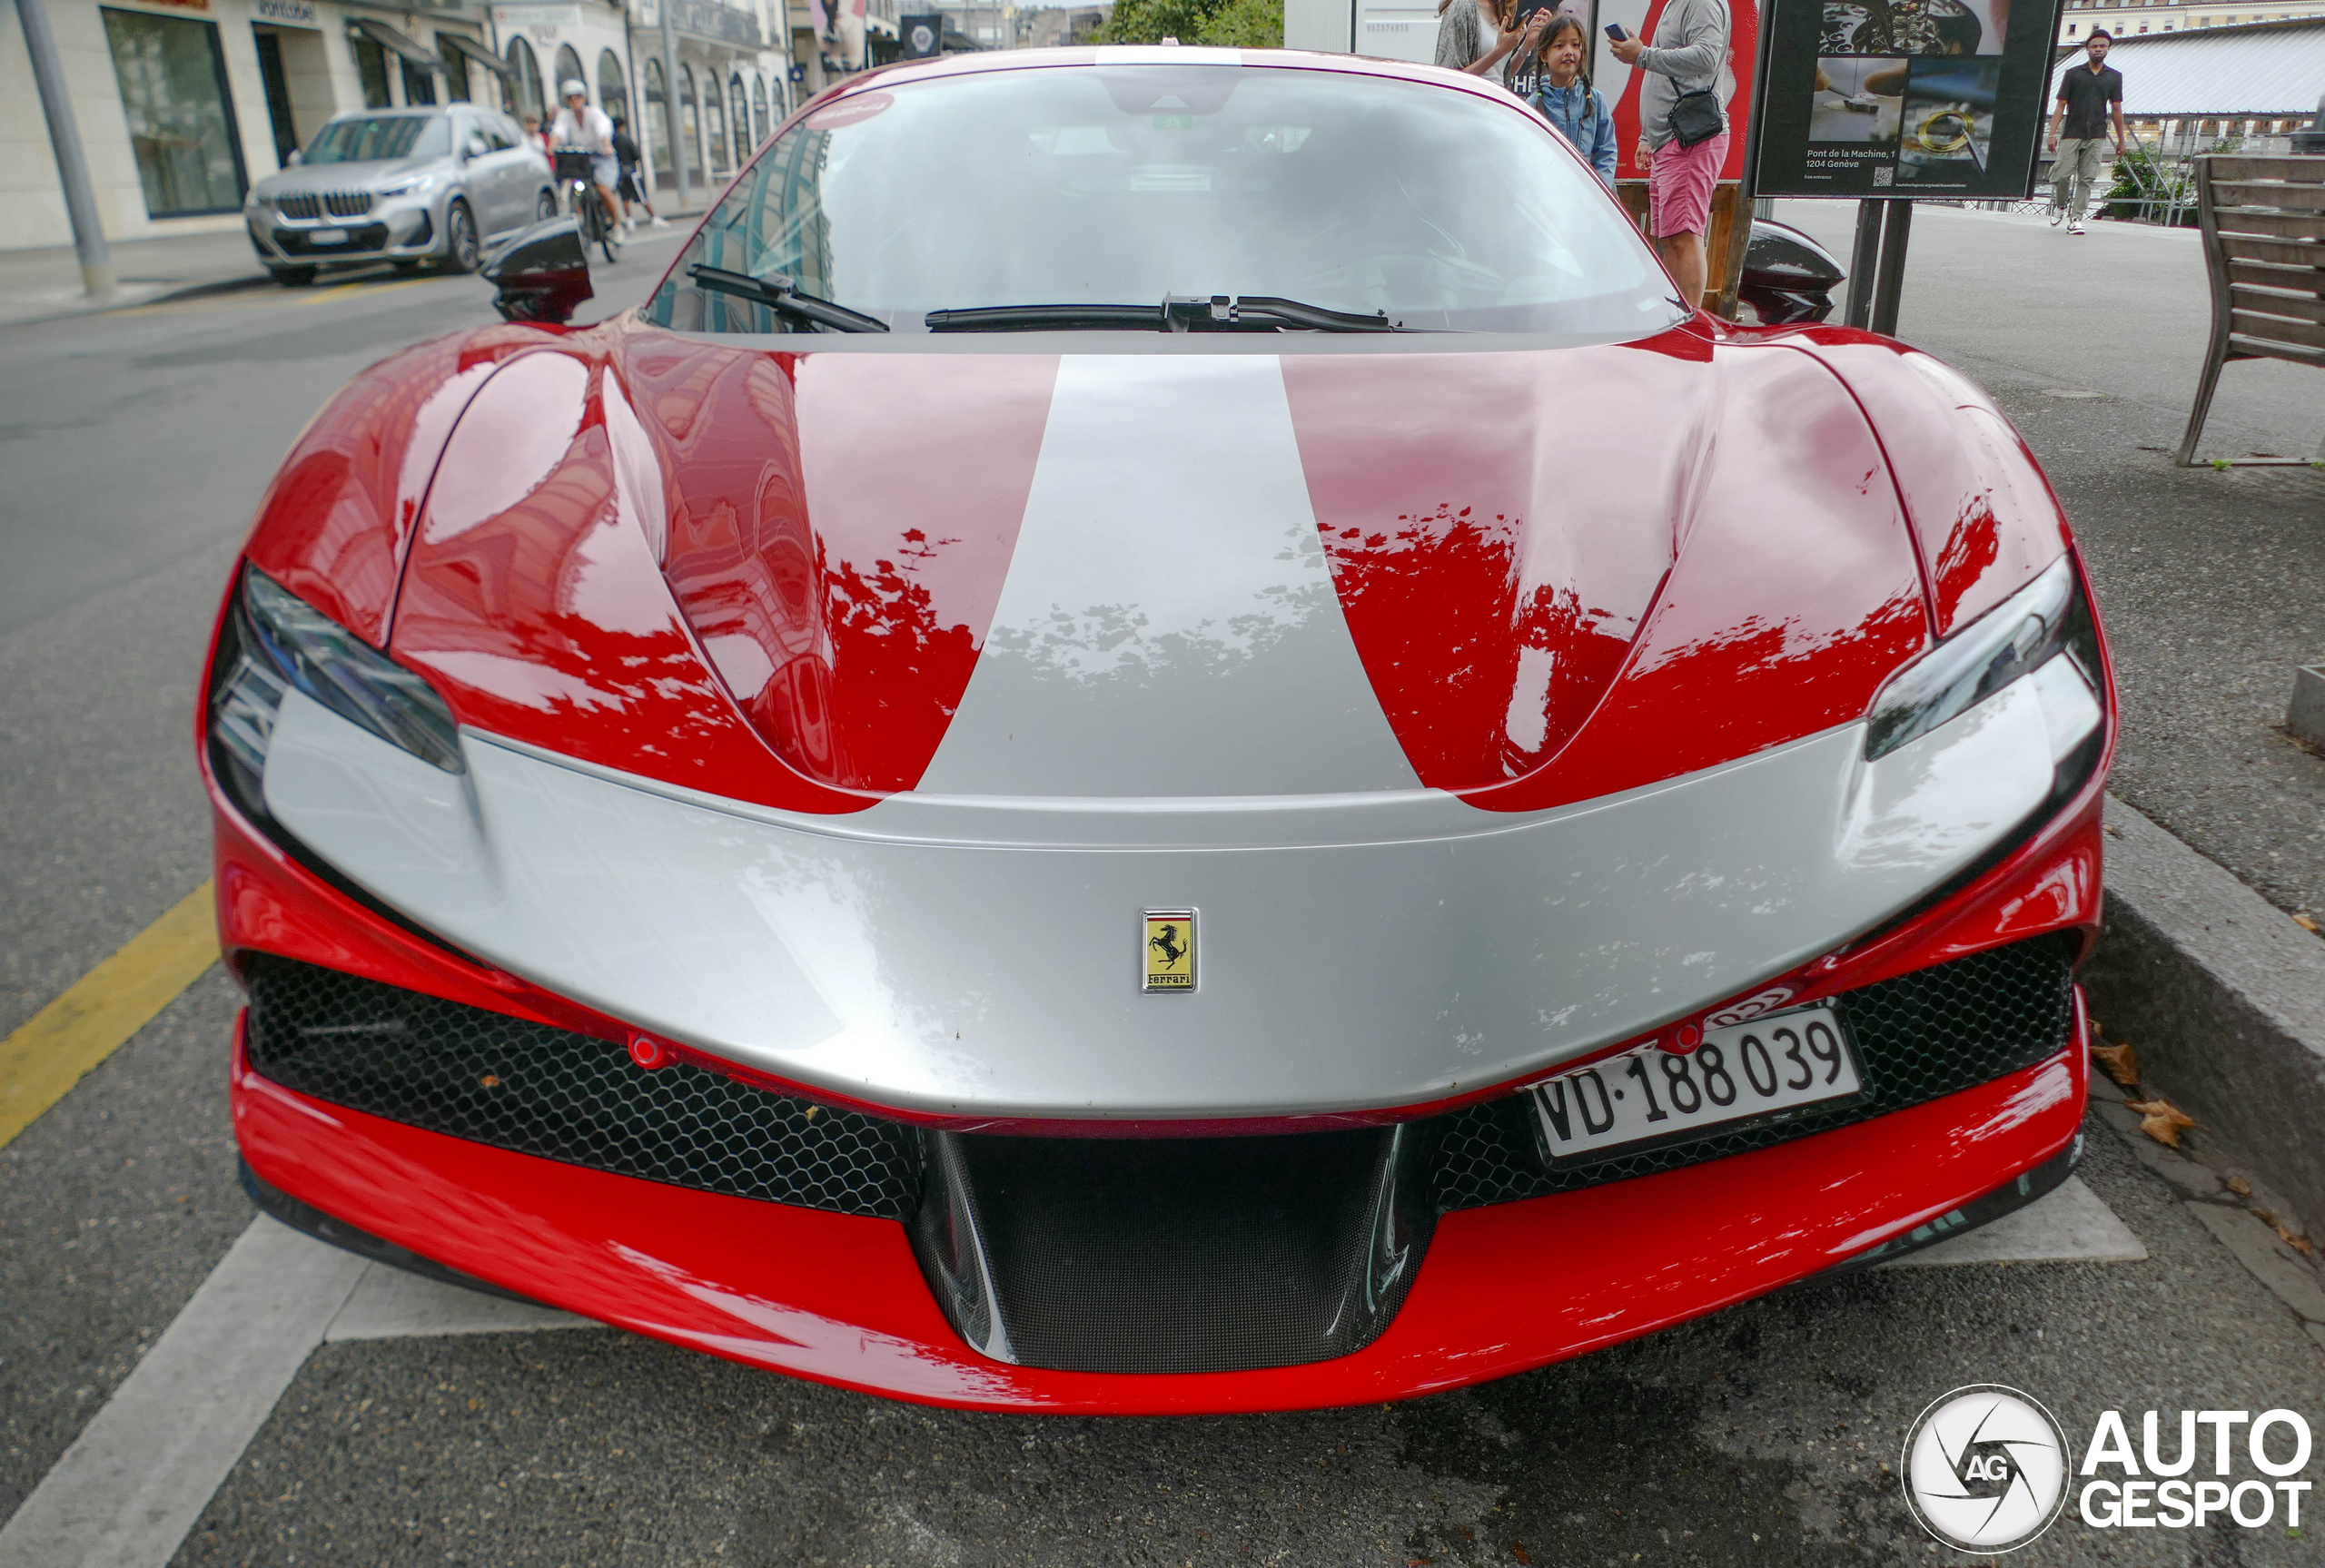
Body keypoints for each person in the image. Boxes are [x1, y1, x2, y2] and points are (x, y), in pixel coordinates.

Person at [1611, 0, 1732, 311]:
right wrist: (1646, 136)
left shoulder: (1700, 2)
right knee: (1671, 237)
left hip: (1690, 139)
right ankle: (1676, 318)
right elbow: (1668, 76)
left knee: (1684, 236)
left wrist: (1643, 56)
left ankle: (1687, 325)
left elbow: (1707, 56)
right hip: (1671, 138)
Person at [2047, 30, 2125, 236]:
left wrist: (2121, 139)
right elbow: (2060, 105)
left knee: (2087, 178)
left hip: (2097, 133)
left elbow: (2116, 109)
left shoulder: (2114, 77)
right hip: (2072, 131)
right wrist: (2052, 133)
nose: (2098, 49)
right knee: (2062, 173)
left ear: (2108, 48)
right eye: (2094, 46)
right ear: (2087, 49)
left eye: (2102, 46)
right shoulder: (2073, 74)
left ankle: (2076, 218)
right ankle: (2061, 204)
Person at [1531, 14, 1617, 189]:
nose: (1569, 51)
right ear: (1543, 55)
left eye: (1575, 45)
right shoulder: (1533, 105)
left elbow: (1606, 152)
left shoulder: (1596, 100)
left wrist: (1599, 191)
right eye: (1559, 45)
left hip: (1590, 196)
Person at [548, 81, 621, 237]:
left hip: (602, 157)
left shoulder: (594, 113)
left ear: (584, 98)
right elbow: (558, 131)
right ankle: (580, 219)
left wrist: (607, 145)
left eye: (578, 96)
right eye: (570, 98)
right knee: (577, 187)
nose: (575, 100)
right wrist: (551, 147)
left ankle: (617, 225)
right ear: (566, 101)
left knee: (602, 190)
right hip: (581, 160)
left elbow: (603, 128)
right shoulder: (564, 116)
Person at [1435, 0, 1551, 90]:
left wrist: (1528, 44)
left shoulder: (1501, 8)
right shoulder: (1461, 8)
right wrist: (1499, 51)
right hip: (1471, 108)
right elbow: (1450, 80)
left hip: (1496, 107)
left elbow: (1500, 74)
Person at [609, 117, 669, 230]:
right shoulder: (626, 139)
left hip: (619, 172)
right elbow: (636, 155)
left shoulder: (611, 140)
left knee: (625, 197)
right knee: (642, 196)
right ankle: (654, 218)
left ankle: (629, 220)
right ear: (622, 126)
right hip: (631, 171)